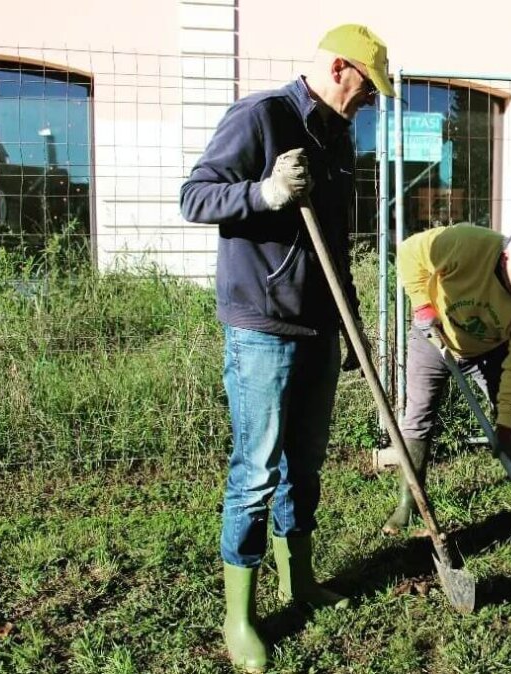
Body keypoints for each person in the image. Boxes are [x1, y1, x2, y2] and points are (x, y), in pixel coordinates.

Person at [179, 24, 395, 672]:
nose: (369, 102)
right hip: (262, 327)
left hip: (320, 328)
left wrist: (352, 327)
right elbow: (195, 196)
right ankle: (239, 616)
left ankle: (297, 582)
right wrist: (265, 193)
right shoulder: (261, 117)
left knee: (304, 466)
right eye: (365, 89)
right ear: (337, 69)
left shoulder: (338, 142)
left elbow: (335, 247)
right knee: (256, 472)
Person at [382, 223, 511, 536]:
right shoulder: (466, 243)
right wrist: (422, 304)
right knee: (417, 418)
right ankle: (409, 504)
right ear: (507, 258)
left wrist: (504, 423)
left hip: (491, 351)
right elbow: (410, 253)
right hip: (433, 337)